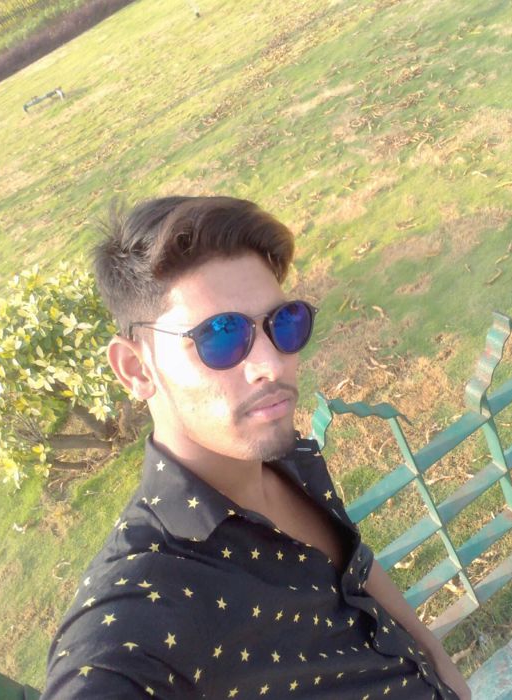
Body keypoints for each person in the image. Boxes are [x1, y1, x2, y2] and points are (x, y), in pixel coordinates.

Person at [42, 196, 471, 699]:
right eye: (220, 337)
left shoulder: (281, 457)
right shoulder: (141, 608)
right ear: (137, 369)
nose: (272, 364)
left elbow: (357, 570)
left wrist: (441, 664)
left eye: (283, 322)